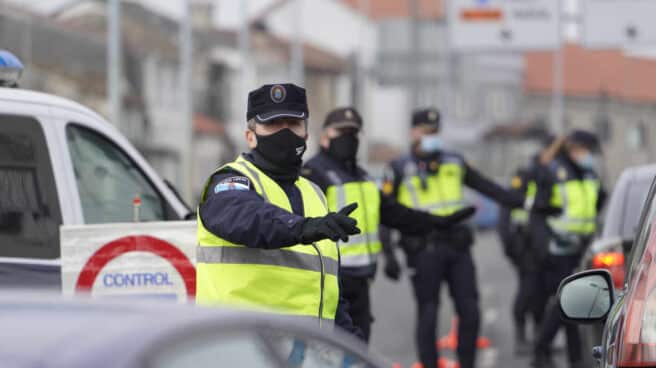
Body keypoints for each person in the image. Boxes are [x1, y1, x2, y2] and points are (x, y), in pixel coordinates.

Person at [195, 83, 363, 335]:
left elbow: (328, 293)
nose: (285, 133)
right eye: (273, 124)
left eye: (293, 124)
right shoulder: (230, 181)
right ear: (250, 136)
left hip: (306, 352)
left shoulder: (314, 193)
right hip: (239, 349)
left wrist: (352, 350)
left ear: (306, 135)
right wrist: (303, 228)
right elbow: (245, 217)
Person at [303, 107, 476, 342]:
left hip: (361, 280)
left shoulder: (362, 177)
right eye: (341, 132)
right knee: (331, 352)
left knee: (358, 350)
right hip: (330, 280)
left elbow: (395, 214)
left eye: (353, 133)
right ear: (324, 136)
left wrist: (438, 222)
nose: (348, 138)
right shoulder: (312, 174)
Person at [380, 108, 525, 368]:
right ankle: (430, 364)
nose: (431, 137)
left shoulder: (455, 161)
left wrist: (519, 201)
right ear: (413, 132)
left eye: (435, 132)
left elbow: (486, 186)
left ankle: (466, 363)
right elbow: (386, 212)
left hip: (457, 246)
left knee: (470, 310)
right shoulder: (399, 168)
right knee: (428, 312)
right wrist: (388, 252)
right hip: (422, 249)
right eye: (426, 131)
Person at [530, 130, 606, 368]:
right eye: (587, 151)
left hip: (581, 247)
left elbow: (599, 199)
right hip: (558, 249)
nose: (589, 156)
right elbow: (539, 212)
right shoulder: (555, 172)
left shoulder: (588, 174)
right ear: (575, 149)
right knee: (565, 302)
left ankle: (574, 358)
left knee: (573, 304)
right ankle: (541, 351)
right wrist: (544, 247)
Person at [497, 165, 541, 355]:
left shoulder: (538, 185)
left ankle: (539, 337)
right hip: (524, 251)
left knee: (539, 293)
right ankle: (522, 338)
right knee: (527, 292)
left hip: (537, 250)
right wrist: (512, 251)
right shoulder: (520, 186)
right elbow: (504, 224)